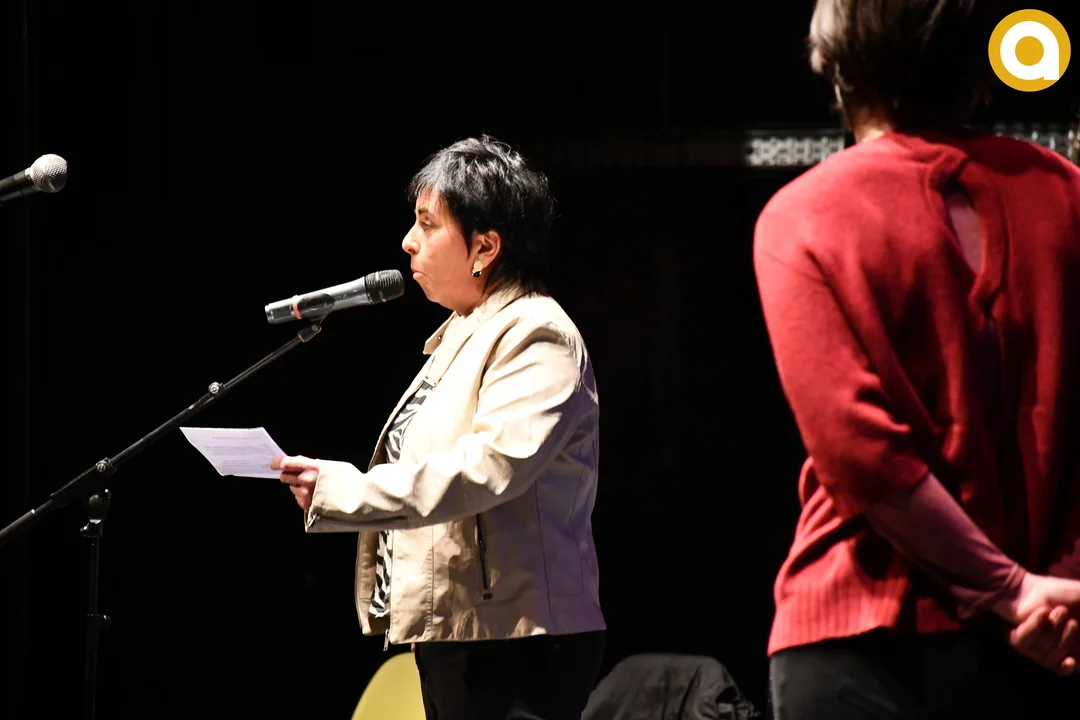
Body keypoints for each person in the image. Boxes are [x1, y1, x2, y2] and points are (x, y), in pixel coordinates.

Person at [753, 1, 1080, 717]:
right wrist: (1052, 589)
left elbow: (859, 451)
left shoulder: (807, 212)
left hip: (868, 633)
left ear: (838, 67)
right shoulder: (1065, 193)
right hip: (1050, 635)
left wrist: (1008, 589)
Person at [271, 135, 605, 720]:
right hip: (464, 633)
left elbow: (488, 469)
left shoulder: (536, 334)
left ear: (485, 247)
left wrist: (349, 491)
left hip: (517, 643)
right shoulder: (463, 333)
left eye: (427, 224)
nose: (408, 240)